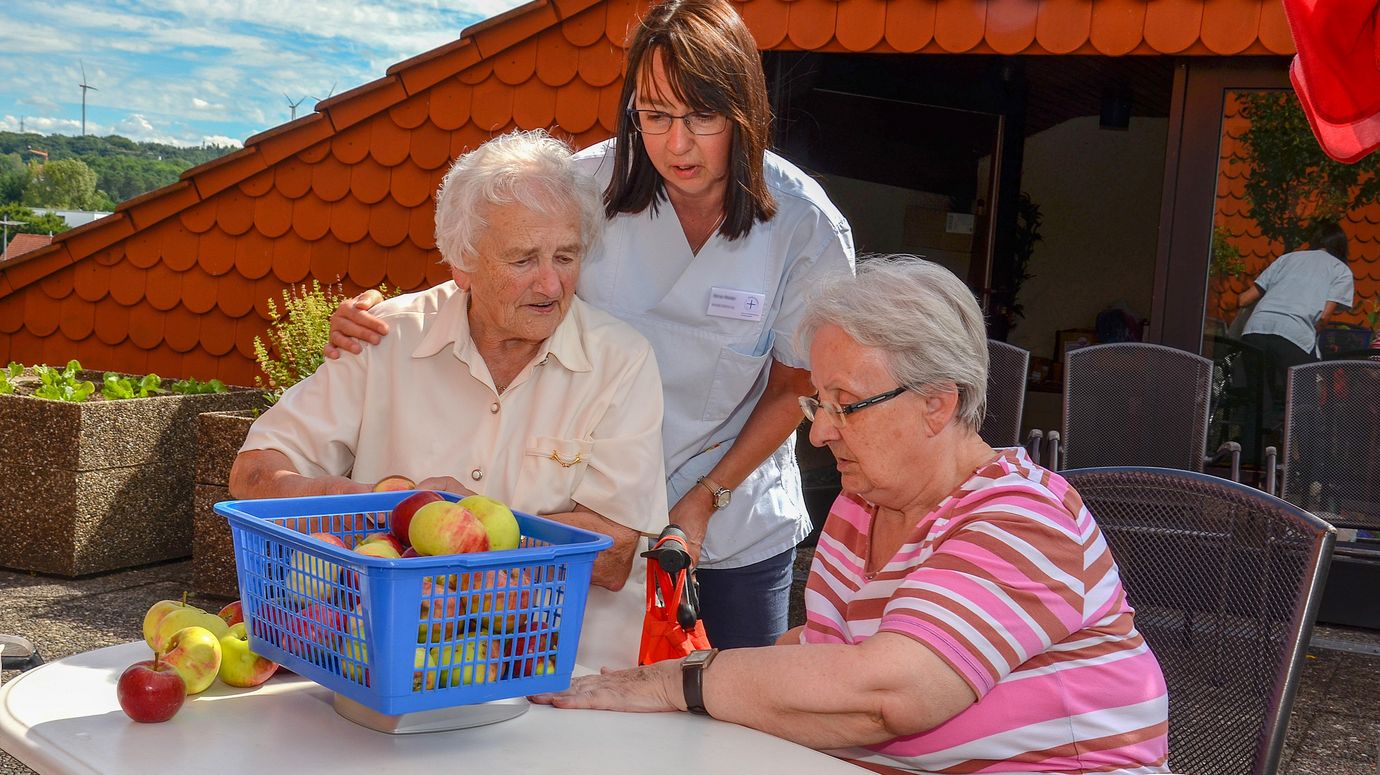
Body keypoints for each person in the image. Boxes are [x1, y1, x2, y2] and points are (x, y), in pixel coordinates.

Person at [324, 0, 855, 649]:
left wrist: (704, 498)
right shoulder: (583, 184)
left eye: (701, 117)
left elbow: (796, 381)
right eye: (654, 115)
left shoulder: (806, 227)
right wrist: (384, 314)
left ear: (742, 110)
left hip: (734, 524)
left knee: (729, 728)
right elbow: (503, 272)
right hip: (585, 517)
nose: (676, 144)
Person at [531, 256, 1171, 775]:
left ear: (936, 403)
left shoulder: (1025, 520)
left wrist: (683, 682)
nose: (819, 434)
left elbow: (889, 695)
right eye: (819, 403)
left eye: (846, 404)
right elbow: (817, 666)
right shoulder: (860, 506)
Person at [229, 129, 668, 671]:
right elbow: (254, 478)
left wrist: (464, 524)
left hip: (569, 675)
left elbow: (613, 556)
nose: (551, 285)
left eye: (566, 256)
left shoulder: (622, 361)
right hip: (392, 665)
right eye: (523, 260)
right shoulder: (383, 336)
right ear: (462, 264)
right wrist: (385, 506)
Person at [1237, 220, 1355, 433]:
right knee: (1304, 403)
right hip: (1293, 335)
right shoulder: (1340, 269)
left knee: (1258, 402)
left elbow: (1244, 299)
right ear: (1341, 246)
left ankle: (1248, 458)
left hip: (1255, 331)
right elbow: (1325, 317)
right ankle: (1302, 460)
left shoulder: (1288, 258)